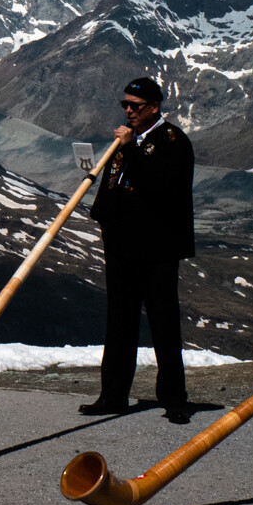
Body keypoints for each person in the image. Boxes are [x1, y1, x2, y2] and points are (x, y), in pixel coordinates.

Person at [79, 76, 195, 422]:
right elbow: (115, 181)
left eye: (135, 106)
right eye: (125, 104)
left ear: (154, 108)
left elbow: (161, 187)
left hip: (157, 249)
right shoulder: (125, 142)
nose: (128, 111)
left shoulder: (172, 141)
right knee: (119, 323)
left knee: (163, 324)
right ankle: (113, 395)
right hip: (122, 246)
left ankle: (174, 399)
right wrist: (99, 211)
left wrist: (129, 148)